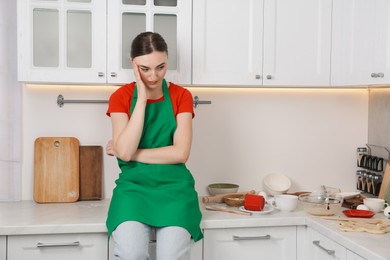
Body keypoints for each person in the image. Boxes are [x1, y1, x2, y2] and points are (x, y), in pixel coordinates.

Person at [105, 32, 203, 260]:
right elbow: (125, 151)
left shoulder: (182, 96)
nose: (153, 76)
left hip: (175, 190)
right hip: (133, 189)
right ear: (133, 64)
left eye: (160, 67)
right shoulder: (121, 97)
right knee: (131, 254)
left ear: (167, 59)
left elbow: (180, 153)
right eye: (145, 69)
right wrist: (141, 99)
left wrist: (129, 153)